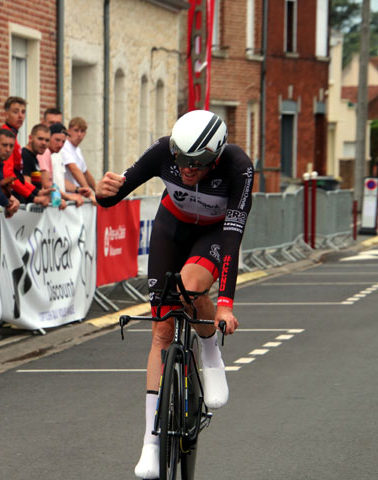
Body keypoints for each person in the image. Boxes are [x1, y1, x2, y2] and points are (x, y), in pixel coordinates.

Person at [96, 110, 251, 479]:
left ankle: (210, 354)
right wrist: (102, 193)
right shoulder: (164, 151)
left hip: (214, 234)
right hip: (171, 228)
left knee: (190, 285)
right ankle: (150, 444)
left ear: (215, 158)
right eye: (181, 159)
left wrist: (225, 306)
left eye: (196, 164)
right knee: (161, 332)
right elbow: (113, 197)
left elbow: (232, 240)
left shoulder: (238, 166)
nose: (186, 169)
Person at [21, 124, 66, 209]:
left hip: (33, 209)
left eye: (47, 140)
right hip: (25, 210)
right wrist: (41, 198)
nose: (43, 143)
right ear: (30, 138)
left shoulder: (35, 157)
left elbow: (38, 187)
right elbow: (26, 184)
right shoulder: (25, 155)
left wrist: (53, 198)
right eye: (40, 139)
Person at [61, 117, 97, 197]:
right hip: (66, 197)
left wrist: (97, 190)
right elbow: (74, 170)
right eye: (76, 130)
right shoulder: (64, 146)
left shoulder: (77, 150)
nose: (79, 134)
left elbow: (85, 172)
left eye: (82, 131)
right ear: (68, 131)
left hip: (76, 197)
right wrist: (90, 194)